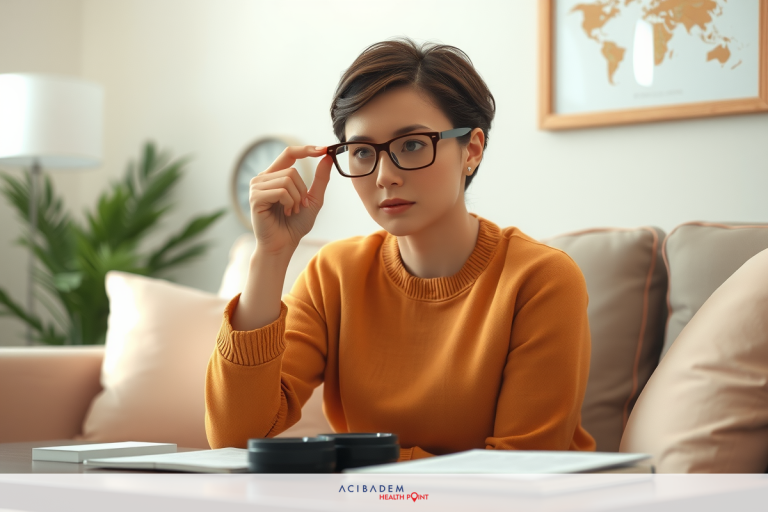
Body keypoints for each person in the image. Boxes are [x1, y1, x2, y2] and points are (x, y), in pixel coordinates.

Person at [205, 38, 596, 461]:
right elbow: (233, 436)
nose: (385, 176)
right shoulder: (333, 274)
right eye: (362, 152)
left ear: (472, 149)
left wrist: (351, 466)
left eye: (411, 144)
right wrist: (272, 255)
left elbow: (520, 471)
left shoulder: (540, 280)